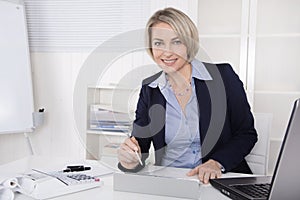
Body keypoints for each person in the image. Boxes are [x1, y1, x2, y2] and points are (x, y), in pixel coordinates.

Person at [117, 7, 257, 184]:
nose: (167, 52)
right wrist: (129, 160)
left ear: (189, 43)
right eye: (159, 43)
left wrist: (216, 163)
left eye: (176, 42)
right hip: (170, 182)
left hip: (219, 180)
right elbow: (140, 148)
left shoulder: (222, 77)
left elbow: (246, 133)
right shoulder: (150, 88)